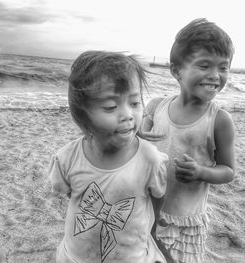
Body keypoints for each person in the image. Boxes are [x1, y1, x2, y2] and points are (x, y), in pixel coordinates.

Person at [48, 50, 168, 263]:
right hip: (77, 256)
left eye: (135, 102)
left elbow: (158, 196)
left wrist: (154, 223)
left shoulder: (149, 158)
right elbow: (75, 197)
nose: (128, 115)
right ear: (83, 116)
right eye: (111, 107)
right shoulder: (67, 158)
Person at [142, 18, 236, 263]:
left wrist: (201, 172)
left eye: (223, 67)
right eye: (204, 65)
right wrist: (140, 131)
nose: (215, 76)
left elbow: (228, 171)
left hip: (184, 220)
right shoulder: (156, 107)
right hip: (146, 210)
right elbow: (136, 144)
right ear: (176, 70)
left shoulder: (219, 120)